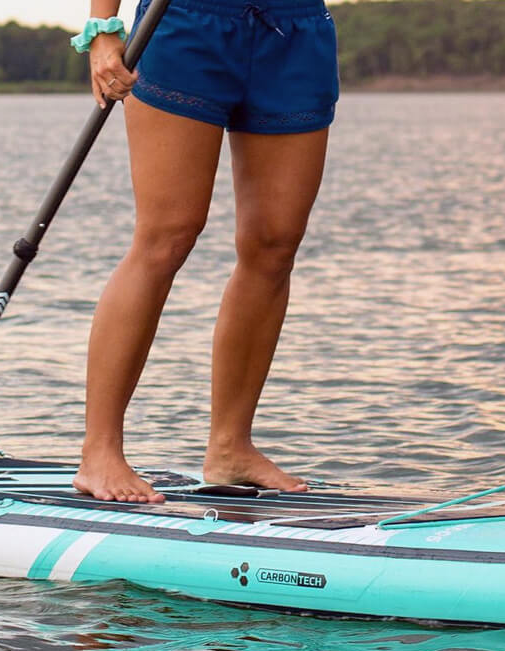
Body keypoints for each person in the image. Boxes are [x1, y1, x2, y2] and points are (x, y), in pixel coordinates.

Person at [70, 0, 339, 503]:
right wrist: (102, 29)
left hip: (296, 30)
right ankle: (99, 451)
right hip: (188, 23)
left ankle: (230, 448)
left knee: (275, 245)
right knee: (166, 236)